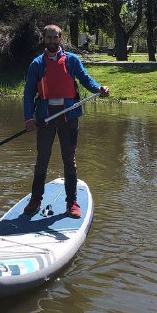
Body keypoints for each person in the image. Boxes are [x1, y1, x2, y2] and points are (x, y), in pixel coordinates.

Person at [23, 24, 109, 219]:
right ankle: (36, 199)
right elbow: (28, 93)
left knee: (69, 160)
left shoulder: (72, 61)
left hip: (68, 117)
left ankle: (72, 203)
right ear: (44, 39)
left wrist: (98, 88)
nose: (52, 41)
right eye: (49, 38)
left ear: (61, 39)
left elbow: (86, 79)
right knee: (42, 160)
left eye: (55, 38)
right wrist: (29, 117)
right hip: (45, 118)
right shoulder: (37, 64)